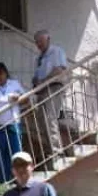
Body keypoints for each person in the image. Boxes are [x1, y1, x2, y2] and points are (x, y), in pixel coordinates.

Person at [32, 29, 69, 158]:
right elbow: (37, 76)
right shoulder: (39, 58)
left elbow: (59, 70)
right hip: (42, 90)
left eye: (41, 41)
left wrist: (43, 81)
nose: (39, 44)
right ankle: (51, 150)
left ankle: (57, 151)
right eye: (37, 42)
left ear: (48, 39)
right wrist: (36, 81)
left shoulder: (56, 51)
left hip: (54, 87)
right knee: (42, 121)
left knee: (49, 117)